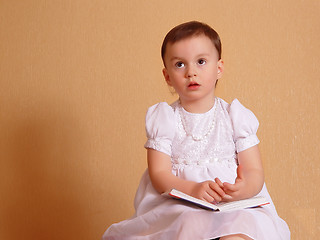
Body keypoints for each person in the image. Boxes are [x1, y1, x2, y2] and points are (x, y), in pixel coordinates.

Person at [102, 21, 290, 240]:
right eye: (180, 64)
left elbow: (254, 171)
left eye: (201, 62)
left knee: (244, 227)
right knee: (189, 223)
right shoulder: (164, 119)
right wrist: (192, 190)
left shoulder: (236, 117)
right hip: (181, 203)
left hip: (231, 206)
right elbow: (159, 174)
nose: (191, 72)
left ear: (218, 68)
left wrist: (243, 188)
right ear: (167, 76)